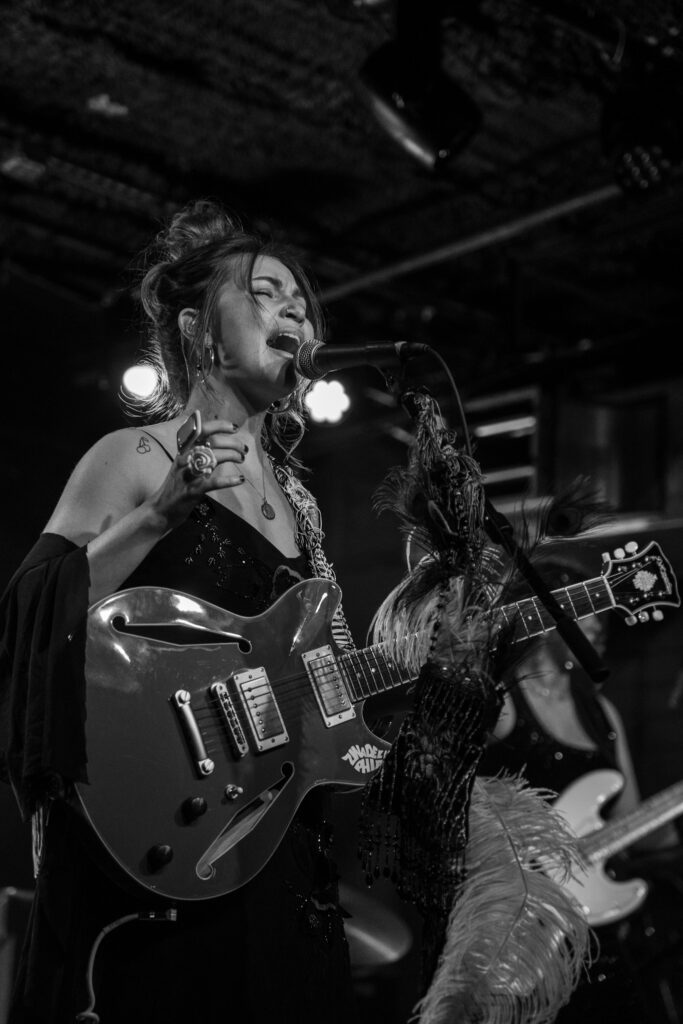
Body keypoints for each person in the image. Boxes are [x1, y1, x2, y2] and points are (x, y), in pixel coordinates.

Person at [0, 199, 364, 1024]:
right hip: (157, 846)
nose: (295, 312)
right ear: (199, 330)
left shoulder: (303, 505)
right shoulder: (136, 456)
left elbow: (318, 690)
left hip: (270, 844)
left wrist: (423, 655)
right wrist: (159, 514)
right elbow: (30, 617)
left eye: (301, 302)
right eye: (265, 294)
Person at [478, 553, 683, 1024]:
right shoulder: (502, 703)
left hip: (596, 926)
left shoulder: (601, 713)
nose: (600, 624)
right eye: (589, 611)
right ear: (547, 620)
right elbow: (457, 797)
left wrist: (669, 831)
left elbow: (637, 824)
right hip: (522, 923)